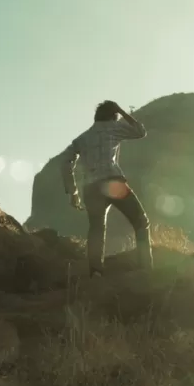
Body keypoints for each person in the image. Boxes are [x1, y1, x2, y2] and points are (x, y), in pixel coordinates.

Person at [60, 100, 153, 277]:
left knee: (96, 228)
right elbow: (141, 132)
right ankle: (145, 269)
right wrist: (123, 112)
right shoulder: (113, 127)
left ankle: (95, 272)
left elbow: (65, 162)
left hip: (90, 187)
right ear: (113, 116)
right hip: (113, 183)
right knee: (141, 222)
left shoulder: (82, 138)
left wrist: (73, 192)